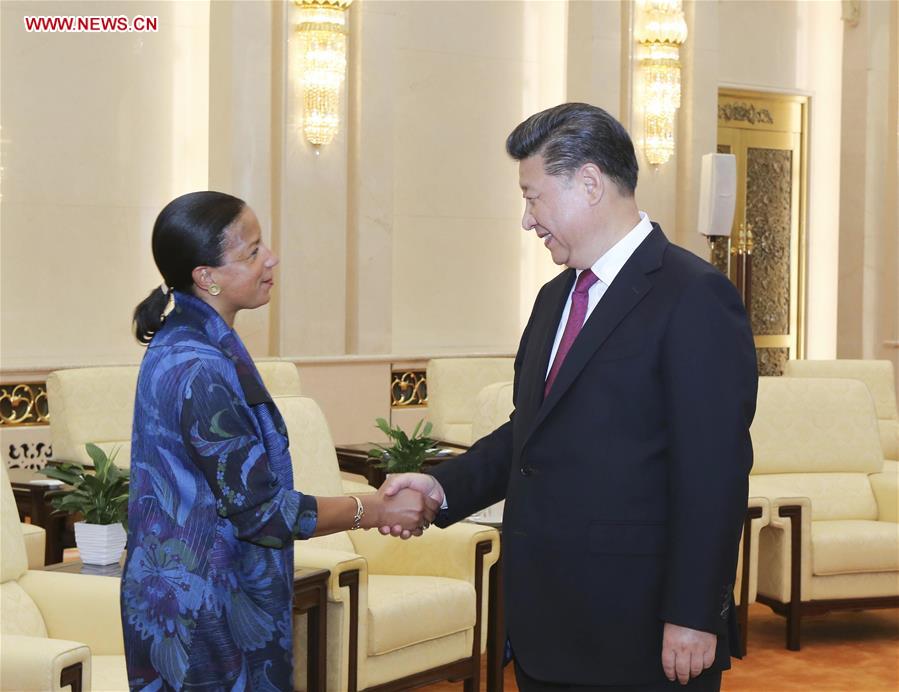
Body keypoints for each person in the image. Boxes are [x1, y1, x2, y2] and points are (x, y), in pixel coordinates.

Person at [381, 103, 758, 691]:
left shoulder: (694, 297)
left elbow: (714, 474)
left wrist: (692, 613)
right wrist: (442, 485)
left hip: (642, 635)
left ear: (589, 183)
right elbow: (530, 433)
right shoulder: (554, 298)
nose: (527, 220)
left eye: (532, 197)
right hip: (545, 629)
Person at [122, 191, 437, 691]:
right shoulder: (199, 367)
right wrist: (374, 508)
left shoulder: (188, 339)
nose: (271, 258)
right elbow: (263, 513)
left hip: (191, 597)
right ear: (207, 277)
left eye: (262, 242)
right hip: (205, 612)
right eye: (250, 252)